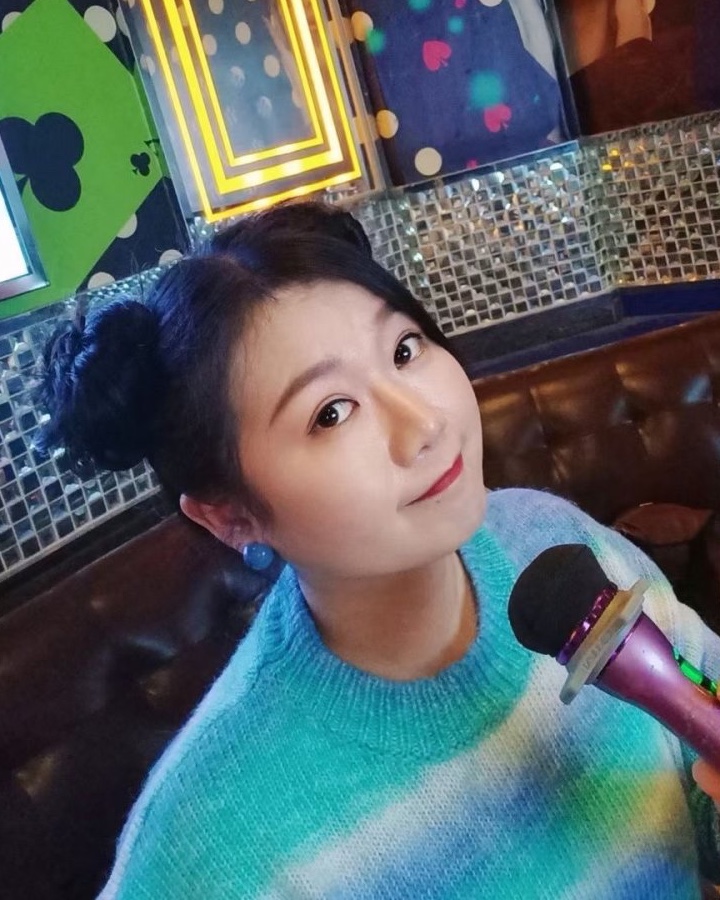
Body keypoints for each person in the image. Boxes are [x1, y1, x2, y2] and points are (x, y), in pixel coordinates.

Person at [40, 201, 720, 898]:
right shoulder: (205, 844)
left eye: (404, 350)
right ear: (231, 516)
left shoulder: (555, 542)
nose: (424, 423)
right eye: (331, 413)